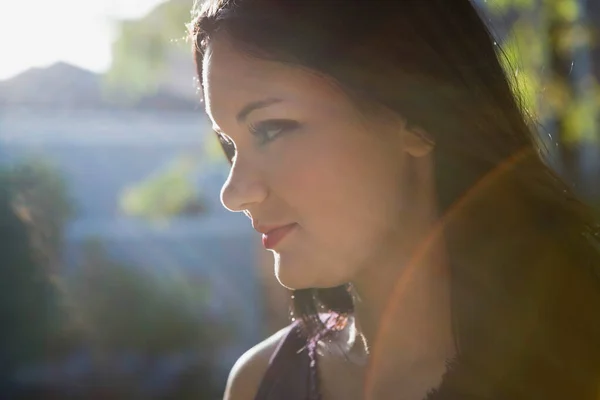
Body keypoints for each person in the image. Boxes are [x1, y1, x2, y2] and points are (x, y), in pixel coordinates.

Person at [189, 1, 600, 399]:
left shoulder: (580, 359)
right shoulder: (258, 385)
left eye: (271, 128)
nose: (234, 193)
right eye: (230, 144)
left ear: (420, 118)